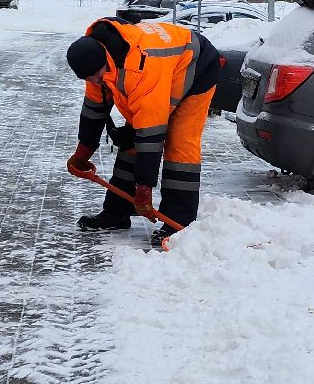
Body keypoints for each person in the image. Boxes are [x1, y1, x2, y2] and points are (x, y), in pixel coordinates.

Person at [66, 16, 221, 247]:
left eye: (97, 75)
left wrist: (144, 191)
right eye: (89, 78)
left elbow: (151, 135)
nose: (96, 80)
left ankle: (179, 221)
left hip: (196, 67)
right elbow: (93, 112)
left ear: (105, 59)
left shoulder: (139, 65)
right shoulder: (95, 64)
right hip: (162, 74)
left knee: (179, 144)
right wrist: (81, 155)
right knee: (132, 140)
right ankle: (117, 212)